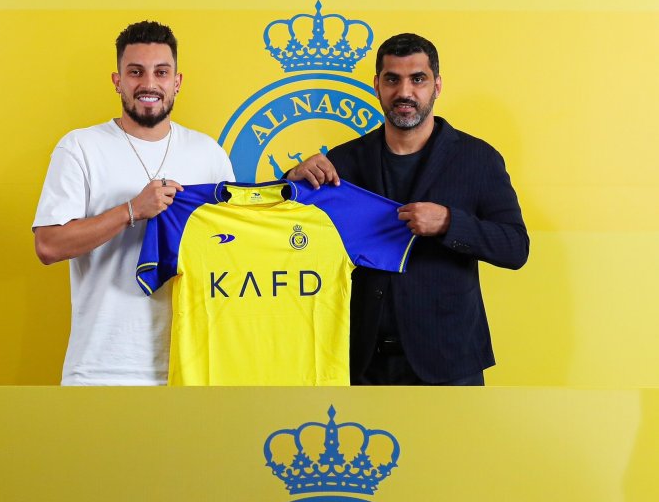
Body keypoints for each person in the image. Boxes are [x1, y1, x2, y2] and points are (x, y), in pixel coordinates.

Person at [287, 33, 529, 385]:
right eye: (392, 79)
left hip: (449, 363)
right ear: (377, 85)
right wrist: (291, 180)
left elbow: (515, 247)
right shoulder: (344, 161)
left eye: (418, 79)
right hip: (359, 361)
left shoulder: (478, 159)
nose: (405, 92)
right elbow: (294, 237)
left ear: (437, 85)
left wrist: (449, 223)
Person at [33, 21, 234, 385]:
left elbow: (232, 251)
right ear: (117, 81)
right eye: (136, 72)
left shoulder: (208, 154)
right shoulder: (80, 148)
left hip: (190, 367)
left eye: (161, 72)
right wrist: (131, 211)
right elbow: (48, 245)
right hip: (100, 369)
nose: (149, 84)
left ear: (177, 81)